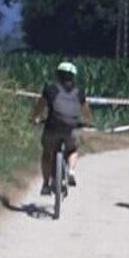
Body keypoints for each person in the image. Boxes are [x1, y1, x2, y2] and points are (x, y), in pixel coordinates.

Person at [30, 62, 93, 195]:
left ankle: (46, 184)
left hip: (52, 128)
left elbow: (40, 107)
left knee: (47, 153)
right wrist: (87, 122)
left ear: (57, 75)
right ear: (73, 77)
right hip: (71, 130)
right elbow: (85, 110)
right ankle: (71, 171)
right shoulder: (79, 92)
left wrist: (35, 118)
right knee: (73, 149)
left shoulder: (50, 89)